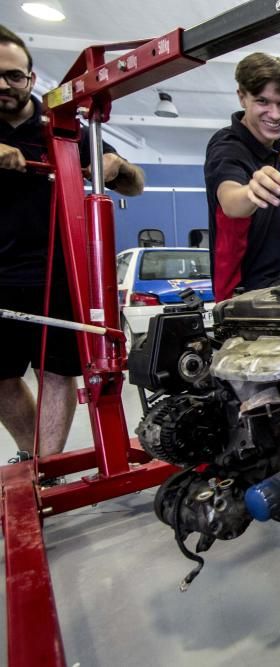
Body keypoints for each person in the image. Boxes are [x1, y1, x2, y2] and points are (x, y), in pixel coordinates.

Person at [0, 25, 145, 459]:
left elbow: (136, 185)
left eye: (13, 76)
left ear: (30, 78)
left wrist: (116, 164)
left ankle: (44, 468)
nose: (3, 85)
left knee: (56, 373)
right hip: (0, 277)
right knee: (3, 379)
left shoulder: (65, 129)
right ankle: (36, 461)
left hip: (58, 275)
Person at [204, 52, 280, 302]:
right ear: (242, 97)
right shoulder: (227, 146)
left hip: (271, 282)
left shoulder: (270, 144)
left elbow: (266, 157)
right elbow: (230, 200)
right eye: (262, 101)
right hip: (240, 294)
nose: (275, 114)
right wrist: (251, 191)